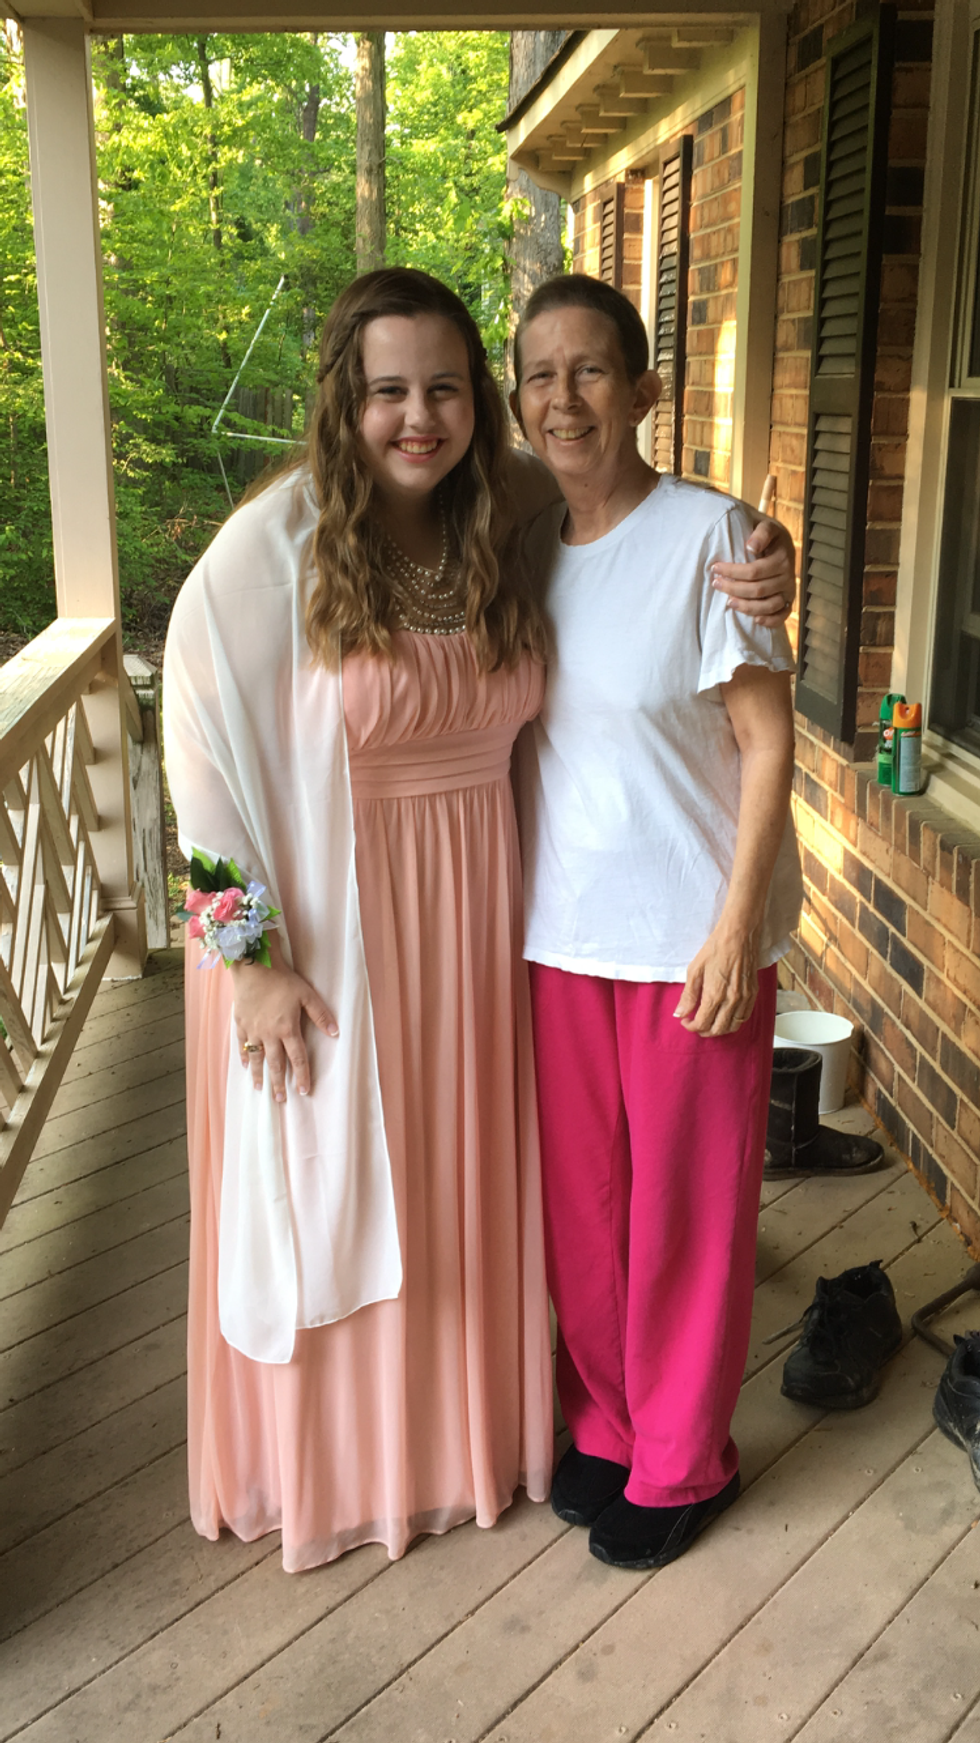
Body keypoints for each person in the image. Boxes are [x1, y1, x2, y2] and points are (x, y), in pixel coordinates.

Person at [163, 267, 797, 1573]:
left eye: (444, 388)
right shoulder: (277, 545)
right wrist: (249, 958)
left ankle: (614, 1447)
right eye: (388, 391)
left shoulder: (504, 509)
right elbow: (197, 750)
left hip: (496, 923)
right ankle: (392, 1457)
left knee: (513, 1192)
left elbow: (673, 563)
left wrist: (772, 556)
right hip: (352, 928)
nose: (419, 417)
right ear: (343, 400)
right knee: (421, 1188)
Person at [509, 273, 804, 1572]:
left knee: (686, 1213)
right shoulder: (525, 545)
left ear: (643, 391)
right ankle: (611, 1421)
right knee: (586, 1209)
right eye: (539, 375)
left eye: (590, 370)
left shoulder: (712, 536)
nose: (563, 398)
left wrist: (738, 928)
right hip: (559, 935)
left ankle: (686, 1456)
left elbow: (768, 741)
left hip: (689, 936)